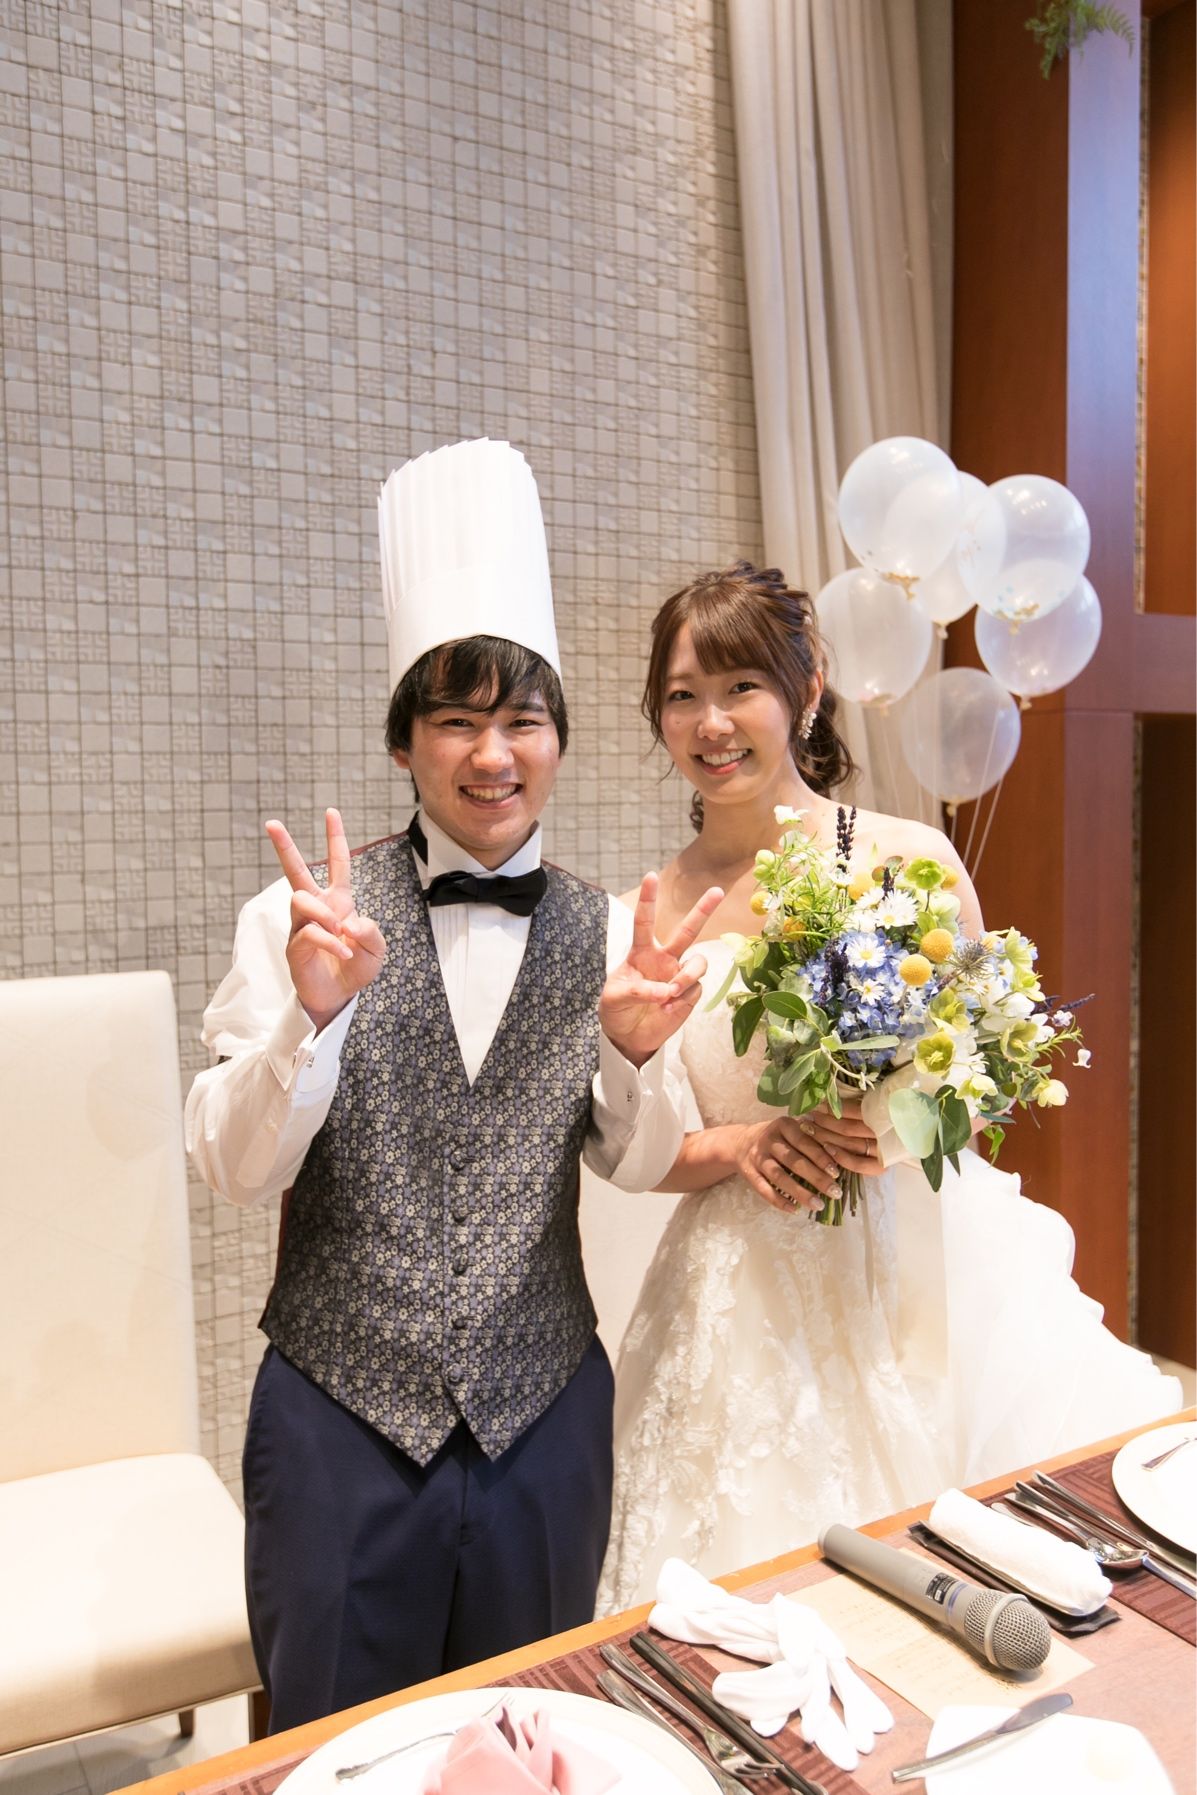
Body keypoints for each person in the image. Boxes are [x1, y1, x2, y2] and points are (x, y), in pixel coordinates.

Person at [186, 439, 720, 1730]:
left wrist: (634, 1052)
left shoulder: (614, 930)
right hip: (337, 1424)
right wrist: (312, 1019)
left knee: (533, 1733)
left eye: (522, 719)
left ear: (559, 740)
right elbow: (233, 1165)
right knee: (334, 1744)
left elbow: (643, 1160)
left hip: (546, 1425)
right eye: (456, 720)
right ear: (405, 743)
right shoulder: (296, 919)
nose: (493, 753)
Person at [596, 560, 1182, 1613]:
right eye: (682, 695)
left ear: (806, 688)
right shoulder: (653, 910)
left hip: (916, 1263)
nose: (711, 722)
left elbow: (985, 1068)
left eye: (740, 686)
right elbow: (643, 1148)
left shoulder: (903, 856)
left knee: (996, 1576)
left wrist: (890, 1128)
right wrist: (742, 1145)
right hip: (736, 1292)